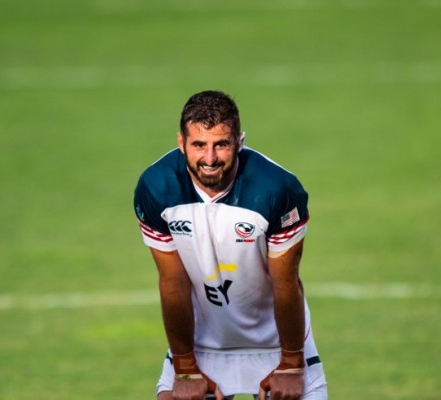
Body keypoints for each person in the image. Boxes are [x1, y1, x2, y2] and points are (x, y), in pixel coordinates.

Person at [133, 90, 328, 400]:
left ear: (240, 141)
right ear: (181, 143)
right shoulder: (157, 188)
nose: (209, 159)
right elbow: (173, 284)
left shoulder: (277, 189)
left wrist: (291, 365)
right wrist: (185, 369)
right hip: (200, 345)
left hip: (276, 343)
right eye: (199, 145)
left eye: (221, 145)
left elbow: (286, 283)